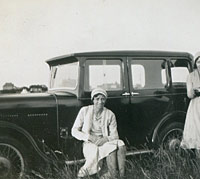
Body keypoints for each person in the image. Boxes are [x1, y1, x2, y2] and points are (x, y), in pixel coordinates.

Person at [71, 88, 126, 178]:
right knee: (94, 152)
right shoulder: (84, 111)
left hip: (105, 141)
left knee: (119, 145)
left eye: (102, 99)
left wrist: (105, 139)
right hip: (90, 143)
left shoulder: (110, 114)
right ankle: (87, 174)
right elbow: (74, 131)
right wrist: (89, 137)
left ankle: (119, 175)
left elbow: (115, 135)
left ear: (105, 100)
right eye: (97, 99)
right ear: (93, 100)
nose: (100, 102)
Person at [181, 52, 200, 154]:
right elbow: (189, 94)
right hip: (196, 106)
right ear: (195, 63)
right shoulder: (191, 76)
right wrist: (194, 91)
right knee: (197, 131)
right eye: (199, 62)